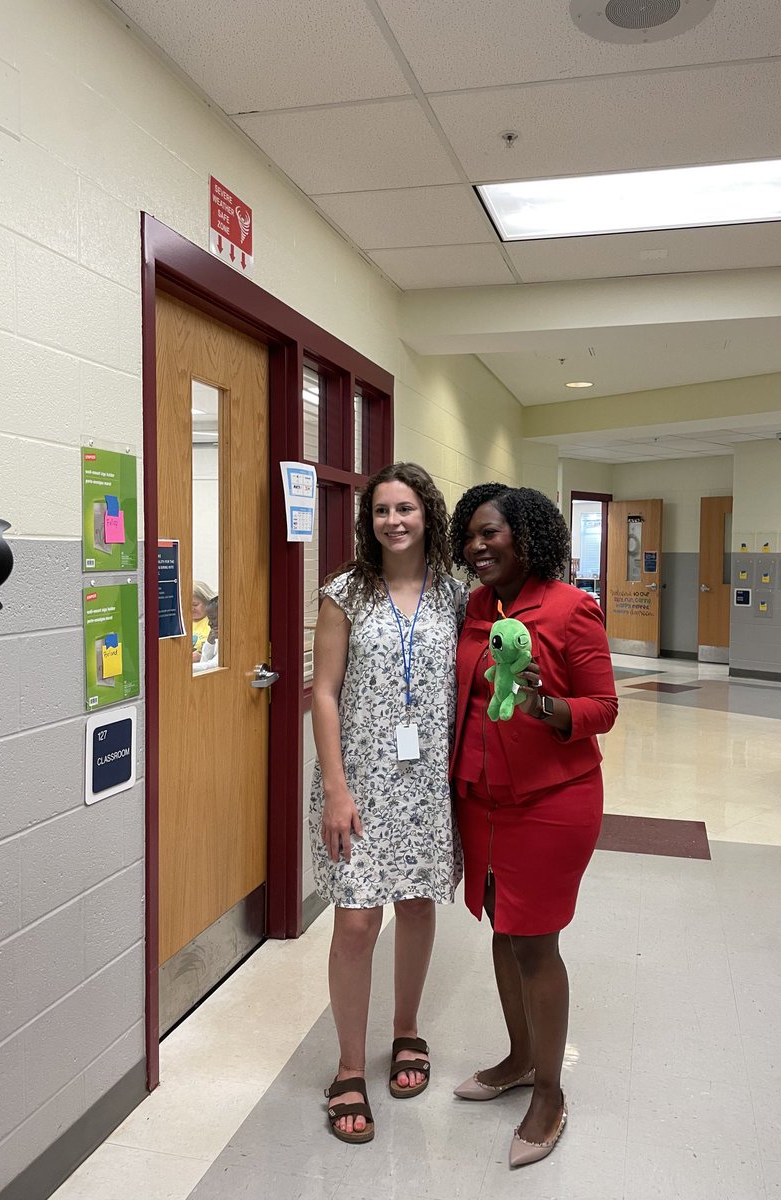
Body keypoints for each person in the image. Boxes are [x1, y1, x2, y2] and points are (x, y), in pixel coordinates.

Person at [448, 483, 618, 1168]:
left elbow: (603, 707)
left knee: (535, 943)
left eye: (490, 534)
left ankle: (549, 1092)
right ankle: (519, 1057)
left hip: (550, 802)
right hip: (481, 798)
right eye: (469, 536)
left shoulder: (572, 609)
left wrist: (545, 706)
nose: (477, 547)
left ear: (527, 536)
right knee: (504, 928)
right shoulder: (475, 607)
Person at [309, 462, 464, 1145]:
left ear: (427, 515)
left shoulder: (454, 597)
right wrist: (335, 787)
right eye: (381, 511)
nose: (393, 521)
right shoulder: (345, 592)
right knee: (355, 923)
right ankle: (348, 1067)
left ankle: (406, 1031)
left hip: (430, 783)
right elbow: (322, 691)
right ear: (368, 522)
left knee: (419, 905)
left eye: (405, 508)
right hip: (362, 784)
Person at [190, 581, 214, 662]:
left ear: (207, 602)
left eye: (195, 605)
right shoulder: (180, 622)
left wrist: (202, 657)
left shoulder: (215, 621)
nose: (191, 609)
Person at [194, 595, 218, 672]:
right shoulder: (216, 635)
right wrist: (210, 642)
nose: (209, 623)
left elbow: (216, 665)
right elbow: (204, 662)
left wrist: (184, 668)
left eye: (213, 618)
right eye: (209, 619)